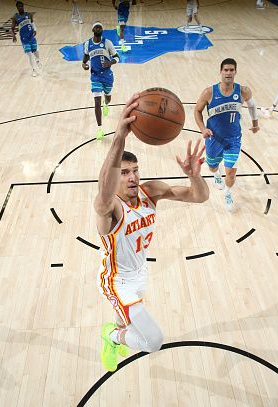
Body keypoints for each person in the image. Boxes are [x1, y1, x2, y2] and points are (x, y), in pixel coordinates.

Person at [95, 94, 209, 372]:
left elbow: (199, 197)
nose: (132, 177)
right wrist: (119, 137)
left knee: (129, 320)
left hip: (140, 273)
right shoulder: (110, 208)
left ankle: (119, 328)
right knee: (153, 340)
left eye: (134, 170)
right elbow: (104, 190)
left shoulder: (150, 192)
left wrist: (194, 175)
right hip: (116, 281)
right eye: (124, 173)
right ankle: (111, 336)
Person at [194, 58, 260, 212]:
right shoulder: (209, 92)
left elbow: (252, 106)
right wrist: (203, 129)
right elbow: (197, 110)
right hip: (213, 138)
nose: (229, 73)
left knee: (230, 172)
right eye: (226, 70)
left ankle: (227, 192)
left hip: (233, 139)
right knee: (212, 166)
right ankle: (216, 174)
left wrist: (255, 123)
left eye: (232, 70)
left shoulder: (243, 91)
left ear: (235, 72)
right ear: (221, 72)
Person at [82, 22, 119, 140]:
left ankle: (106, 104)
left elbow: (118, 57)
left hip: (107, 76)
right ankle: (99, 129)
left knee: (107, 97)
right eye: (96, 26)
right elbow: (86, 56)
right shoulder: (88, 44)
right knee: (96, 102)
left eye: (100, 27)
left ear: (102, 30)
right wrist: (84, 64)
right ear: (92, 29)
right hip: (95, 76)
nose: (98, 28)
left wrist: (110, 62)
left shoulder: (107, 43)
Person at [11, 1, 41, 77]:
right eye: (19, 7)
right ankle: (34, 70)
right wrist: (13, 36)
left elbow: (32, 23)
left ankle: (38, 60)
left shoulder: (29, 15)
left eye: (22, 6)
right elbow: (12, 28)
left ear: (23, 6)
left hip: (31, 36)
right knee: (30, 54)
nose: (21, 8)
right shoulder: (15, 17)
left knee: (35, 51)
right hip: (24, 39)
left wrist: (35, 30)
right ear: (17, 8)